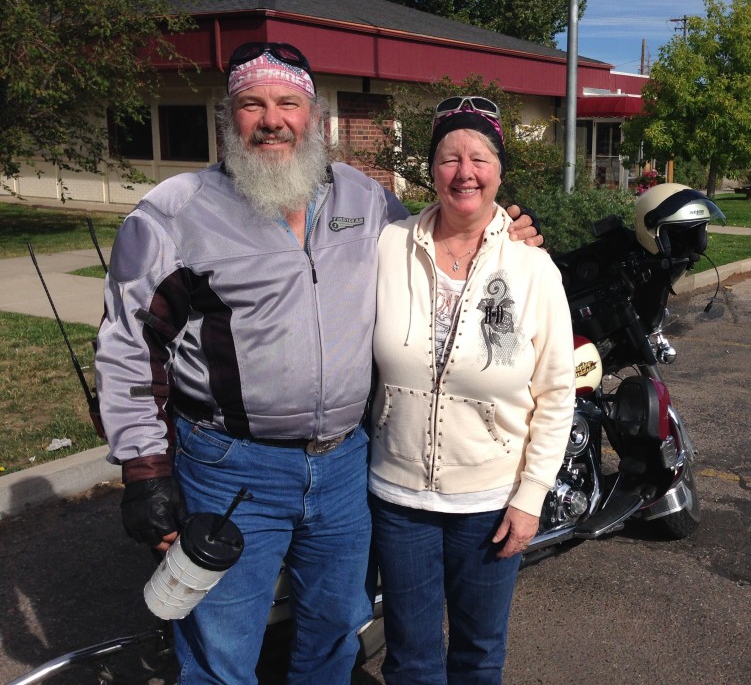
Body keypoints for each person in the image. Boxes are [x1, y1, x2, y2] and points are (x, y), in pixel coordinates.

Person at [94, 46, 539, 684]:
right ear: (230, 117)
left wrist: (506, 229)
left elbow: (441, 236)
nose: (271, 120)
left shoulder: (367, 200)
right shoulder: (174, 212)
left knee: (335, 635)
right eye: (253, 104)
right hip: (230, 468)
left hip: (344, 468)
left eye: (288, 104)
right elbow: (128, 344)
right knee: (220, 648)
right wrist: (144, 470)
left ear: (315, 118)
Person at [369, 97, 576, 684]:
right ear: (430, 171)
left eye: (479, 158)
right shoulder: (387, 248)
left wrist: (532, 495)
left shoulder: (533, 269)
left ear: (499, 172)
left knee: (479, 655)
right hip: (399, 495)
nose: (465, 172)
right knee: (409, 656)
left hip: (489, 499)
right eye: (449, 158)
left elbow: (557, 393)